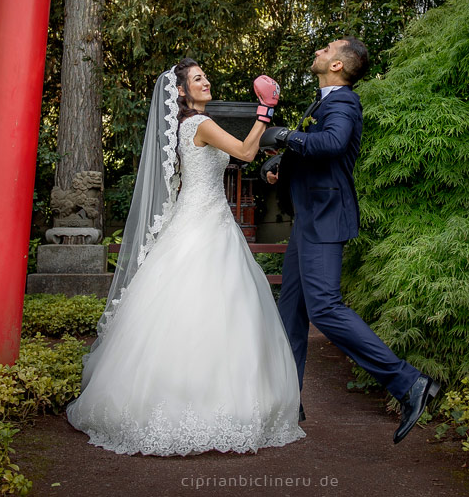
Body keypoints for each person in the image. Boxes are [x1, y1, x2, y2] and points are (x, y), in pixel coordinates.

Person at [66, 58, 305, 456]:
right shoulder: (199, 124)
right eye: (197, 79)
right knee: (216, 307)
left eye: (205, 76)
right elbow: (246, 153)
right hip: (205, 226)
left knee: (194, 308)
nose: (205, 81)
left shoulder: (184, 128)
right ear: (180, 91)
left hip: (200, 219)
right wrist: (265, 112)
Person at [260, 38, 441, 444]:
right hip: (309, 220)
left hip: (325, 221)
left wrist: (286, 136)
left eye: (327, 48)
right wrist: (277, 167)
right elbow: (315, 155)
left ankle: (409, 382)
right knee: (290, 314)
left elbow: (333, 143)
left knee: (324, 309)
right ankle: (288, 402)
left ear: (338, 64)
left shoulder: (343, 103)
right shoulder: (323, 103)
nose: (319, 50)